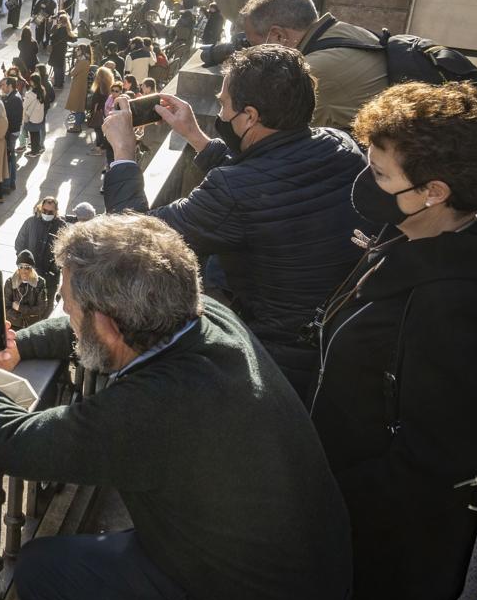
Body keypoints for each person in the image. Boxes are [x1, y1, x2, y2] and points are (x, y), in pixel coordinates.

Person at [0, 214, 352, 600]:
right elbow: (88, 332)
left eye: (68, 308)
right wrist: (24, 345)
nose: (66, 314)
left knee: (41, 571)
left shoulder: (151, 407)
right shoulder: (202, 313)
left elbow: (15, 443)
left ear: (107, 325)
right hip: (313, 571)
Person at [310, 82, 477, 600]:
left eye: (381, 175)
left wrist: (315, 499)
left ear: (433, 191)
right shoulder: (431, 234)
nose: (367, 183)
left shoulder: (454, 307)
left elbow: (431, 464)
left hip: (381, 553)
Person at [101, 45, 369, 395]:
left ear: (250, 117)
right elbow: (270, 179)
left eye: (225, 105)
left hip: (276, 363)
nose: (221, 113)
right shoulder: (339, 144)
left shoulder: (232, 191)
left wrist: (123, 153)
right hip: (336, 344)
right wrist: (197, 138)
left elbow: (134, 237)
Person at [237, 0, 388, 131]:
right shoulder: (343, 32)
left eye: (254, 45)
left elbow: (272, 139)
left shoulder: (309, 72)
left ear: (278, 36)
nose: (253, 53)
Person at [14, 196, 64, 291]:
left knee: (47, 302)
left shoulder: (61, 226)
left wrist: (55, 268)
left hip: (50, 276)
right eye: (44, 210)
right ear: (40, 208)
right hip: (29, 272)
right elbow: (19, 243)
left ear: (56, 211)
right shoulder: (30, 222)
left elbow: (65, 251)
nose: (47, 213)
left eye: (50, 212)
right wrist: (24, 262)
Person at [4, 250, 52, 330]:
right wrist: (27, 315)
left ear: (32, 268)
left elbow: (41, 308)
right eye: (21, 267)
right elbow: (6, 307)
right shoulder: (10, 282)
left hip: (32, 326)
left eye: (27, 267)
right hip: (14, 324)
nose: (23, 271)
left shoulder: (39, 282)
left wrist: (20, 308)